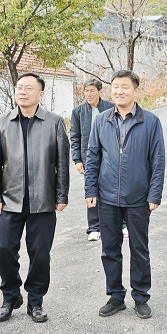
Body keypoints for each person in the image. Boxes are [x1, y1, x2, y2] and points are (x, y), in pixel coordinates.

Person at [0, 72, 70, 323]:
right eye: (19, 87)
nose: (22, 92)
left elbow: (62, 163)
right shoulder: (2, 122)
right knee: (4, 249)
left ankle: (35, 300)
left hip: (43, 200)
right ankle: (10, 296)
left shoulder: (54, 122)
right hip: (10, 200)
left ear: (40, 94)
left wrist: (61, 195)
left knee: (40, 254)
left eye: (28, 88)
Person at [85, 70, 165, 319]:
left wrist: (154, 194)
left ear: (136, 91)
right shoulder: (101, 120)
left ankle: (140, 297)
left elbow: (158, 160)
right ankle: (116, 296)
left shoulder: (150, 121)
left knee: (139, 249)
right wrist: (90, 189)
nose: (119, 91)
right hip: (107, 197)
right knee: (110, 249)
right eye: (115, 87)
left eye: (125, 87)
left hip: (139, 198)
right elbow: (93, 157)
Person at [70, 78, 113, 241]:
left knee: (114, 188)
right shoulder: (78, 112)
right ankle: (94, 227)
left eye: (92, 90)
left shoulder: (111, 108)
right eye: (86, 91)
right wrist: (77, 160)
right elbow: (75, 137)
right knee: (92, 190)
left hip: (110, 156)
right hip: (89, 157)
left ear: (100, 92)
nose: (89, 94)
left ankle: (121, 224)